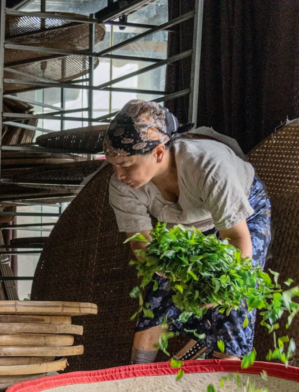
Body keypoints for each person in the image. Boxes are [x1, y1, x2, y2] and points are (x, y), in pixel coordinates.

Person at [105, 99, 272, 364]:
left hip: (241, 216)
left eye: (126, 164)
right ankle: (136, 380)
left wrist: (219, 292)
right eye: (113, 164)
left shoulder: (208, 166)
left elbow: (236, 239)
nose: (119, 173)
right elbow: (142, 246)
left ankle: (222, 386)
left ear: (159, 152)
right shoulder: (122, 186)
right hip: (188, 229)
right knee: (158, 296)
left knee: (231, 304)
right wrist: (177, 279)